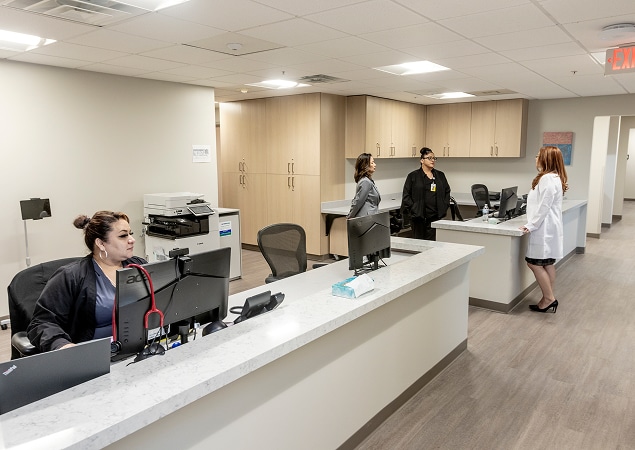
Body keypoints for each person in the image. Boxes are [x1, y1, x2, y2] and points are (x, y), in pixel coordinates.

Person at [27, 211, 146, 352]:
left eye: (130, 233)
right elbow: (41, 323)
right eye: (123, 235)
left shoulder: (139, 266)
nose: (132, 239)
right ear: (101, 243)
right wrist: (62, 346)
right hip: (93, 356)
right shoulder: (71, 276)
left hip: (137, 348)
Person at [520, 146, 569, 313]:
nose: (535, 159)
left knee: (533, 263)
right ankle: (546, 298)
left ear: (546, 159)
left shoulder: (547, 178)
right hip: (549, 226)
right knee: (547, 263)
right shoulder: (555, 177)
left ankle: (549, 298)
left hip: (543, 228)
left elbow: (544, 206)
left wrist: (531, 225)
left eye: (537, 156)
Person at [401, 147, 451, 240]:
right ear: (422, 160)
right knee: (419, 242)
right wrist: (414, 209)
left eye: (434, 158)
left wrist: (444, 205)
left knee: (433, 243)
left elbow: (447, 191)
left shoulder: (440, 175)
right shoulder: (413, 176)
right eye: (429, 158)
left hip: (435, 216)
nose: (432, 160)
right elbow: (406, 195)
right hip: (418, 217)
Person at [347, 153, 380, 218]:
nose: (375, 165)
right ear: (365, 165)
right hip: (366, 218)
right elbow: (358, 201)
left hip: (370, 217)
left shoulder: (368, 180)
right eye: (372, 163)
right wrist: (350, 217)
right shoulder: (365, 182)